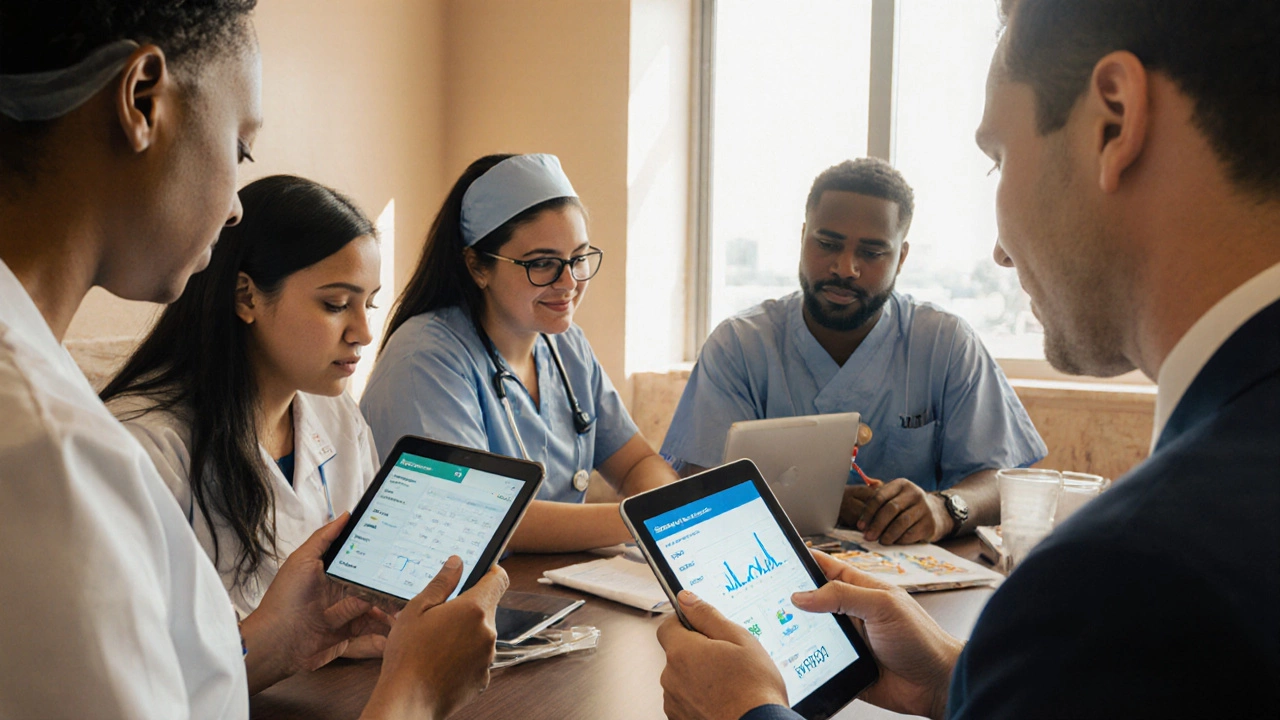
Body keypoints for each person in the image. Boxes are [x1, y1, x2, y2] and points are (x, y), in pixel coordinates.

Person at [656, 0, 1280, 718]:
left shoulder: (1120, 578)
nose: (1001, 251)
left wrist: (751, 713)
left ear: (1114, 121)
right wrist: (954, 681)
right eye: (828, 242)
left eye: (998, 161)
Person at [0, 3, 505, 719]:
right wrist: (415, 691)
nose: (236, 209)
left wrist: (279, 638)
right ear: (143, 98)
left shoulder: (49, 424)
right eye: (241, 148)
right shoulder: (55, 453)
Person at [662, 158, 1045, 544]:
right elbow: (701, 484)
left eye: (873, 252)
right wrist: (826, 503)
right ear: (802, 237)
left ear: (902, 257)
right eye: (827, 244)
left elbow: (1002, 479)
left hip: (914, 574)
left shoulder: (945, 343)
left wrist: (944, 508)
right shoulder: (739, 346)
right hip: (767, 566)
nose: (846, 268)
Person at [102, 175, 382, 640]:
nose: (363, 332)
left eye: (368, 305)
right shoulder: (145, 444)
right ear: (246, 296)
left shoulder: (338, 416)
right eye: (336, 304)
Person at [361, 153, 677, 552]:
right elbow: (478, 516)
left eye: (578, 259)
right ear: (477, 266)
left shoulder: (567, 346)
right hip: (444, 601)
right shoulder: (425, 357)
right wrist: (642, 518)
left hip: (552, 588)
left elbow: (639, 464)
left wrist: (657, 503)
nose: (568, 282)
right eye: (542, 264)